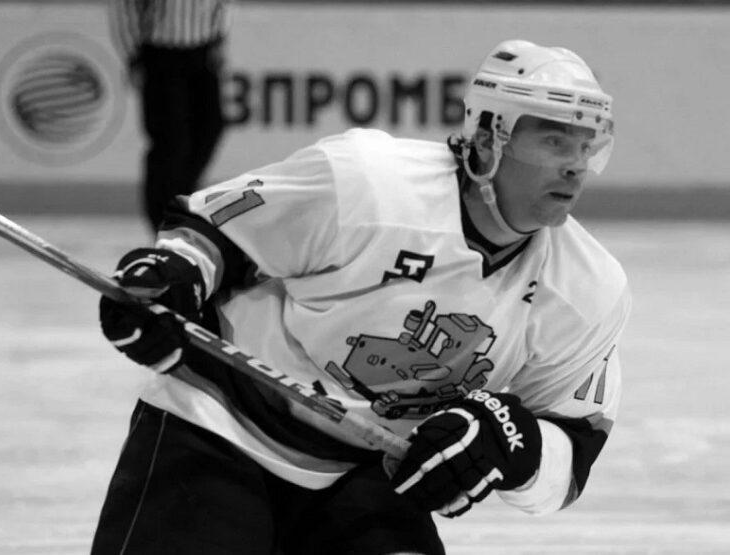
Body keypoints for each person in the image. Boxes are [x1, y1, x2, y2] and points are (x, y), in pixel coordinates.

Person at [94, 39, 631, 554]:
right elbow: (217, 230)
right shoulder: (368, 182)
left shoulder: (588, 288)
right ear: (490, 138)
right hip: (222, 424)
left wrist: (514, 446)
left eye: (587, 146)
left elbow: (572, 452)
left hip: (368, 475)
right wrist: (168, 281)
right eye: (554, 141)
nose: (575, 165)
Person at [108, 0, 233, 233]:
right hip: (161, 52)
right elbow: (124, 8)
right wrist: (134, 57)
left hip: (204, 49)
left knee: (210, 129)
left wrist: (220, 39)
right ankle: (162, 220)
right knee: (171, 141)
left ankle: (181, 204)